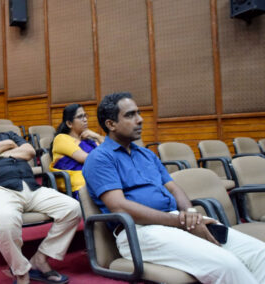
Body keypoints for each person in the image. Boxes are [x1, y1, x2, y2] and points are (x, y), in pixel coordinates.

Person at [82, 92, 265, 284]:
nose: (140, 120)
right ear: (111, 124)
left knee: (260, 253)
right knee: (228, 266)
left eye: (139, 113)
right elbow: (119, 207)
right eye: (130, 115)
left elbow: (174, 188)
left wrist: (190, 213)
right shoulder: (100, 158)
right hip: (140, 232)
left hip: (175, 220)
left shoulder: (146, 154)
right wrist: (180, 221)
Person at [0, 100, 81, 284]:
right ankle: (21, 272)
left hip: (31, 187)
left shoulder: (7, 133)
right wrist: (8, 144)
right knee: (5, 223)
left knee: (73, 208)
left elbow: (29, 152)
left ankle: (40, 259)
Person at [50, 104, 103, 199]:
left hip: (96, 180)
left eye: (85, 115)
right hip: (79, 188)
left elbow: (109, 153)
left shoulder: (88, 139)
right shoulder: (61, 139)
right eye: (80, 117)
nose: (85, 119)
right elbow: (87, 159)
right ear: (69, 123)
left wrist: (97, 136)